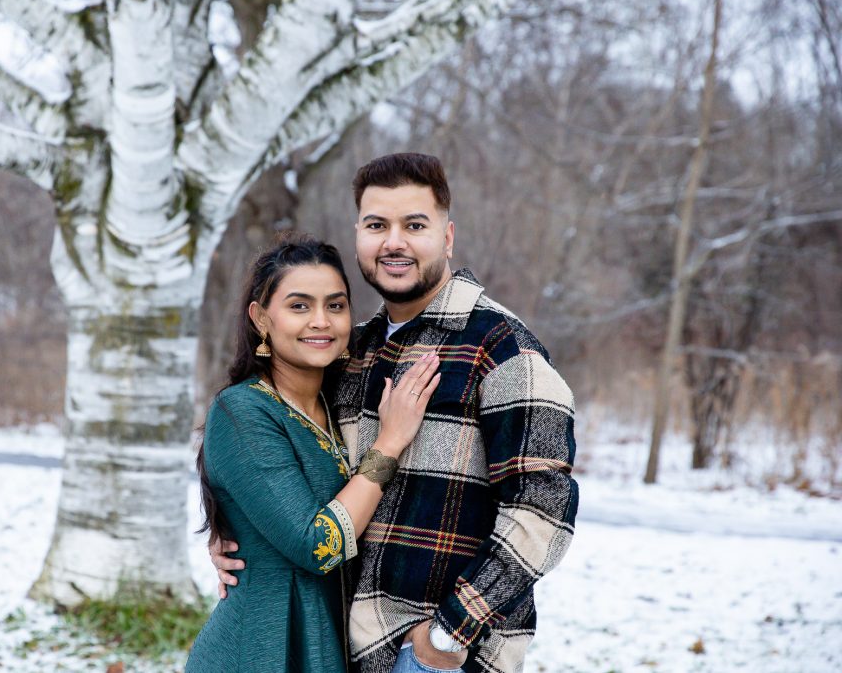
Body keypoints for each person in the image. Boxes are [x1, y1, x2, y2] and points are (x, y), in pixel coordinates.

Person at [213, 154, 579, 673]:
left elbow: (543, 512)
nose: (394, 242)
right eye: (377, 225)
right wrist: (237, 532)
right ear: (359, 235)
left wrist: (447, 635)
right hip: (344, 648)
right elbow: (281, 454)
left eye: (414, 225)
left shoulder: (503, 350)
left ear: (447, 237)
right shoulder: (351, 350)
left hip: (435, 657)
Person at [186, 233, 441, 673]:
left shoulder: (342, 401)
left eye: (336, 305)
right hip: (265, 645)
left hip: (341, 640)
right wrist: (389, 443)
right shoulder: (242, 411)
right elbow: (318, 545)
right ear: (261, 318)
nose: (321, 321)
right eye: (299, 306)